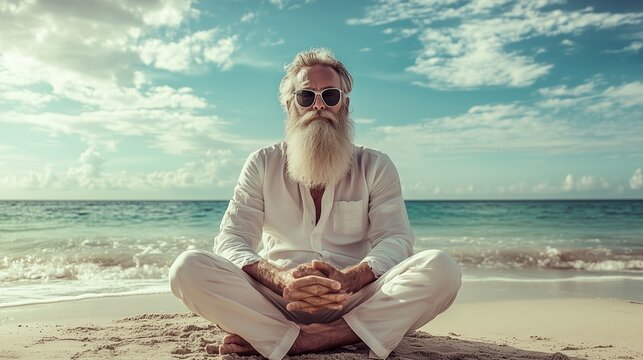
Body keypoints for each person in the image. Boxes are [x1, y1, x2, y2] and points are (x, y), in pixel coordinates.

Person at [169, 48, 461, 360]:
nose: (318, 105)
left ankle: (303, 340)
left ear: (344, 105)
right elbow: (232, 239)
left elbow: (396, 240)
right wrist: (280, 279)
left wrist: (349, 278)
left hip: (352, 299)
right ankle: (323, 335)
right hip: (277, 300)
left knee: (442, 269)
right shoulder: (262, 163)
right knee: (187, 269)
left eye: (330, 96)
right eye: (306, 97)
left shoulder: (376, 165)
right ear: (289, 105)